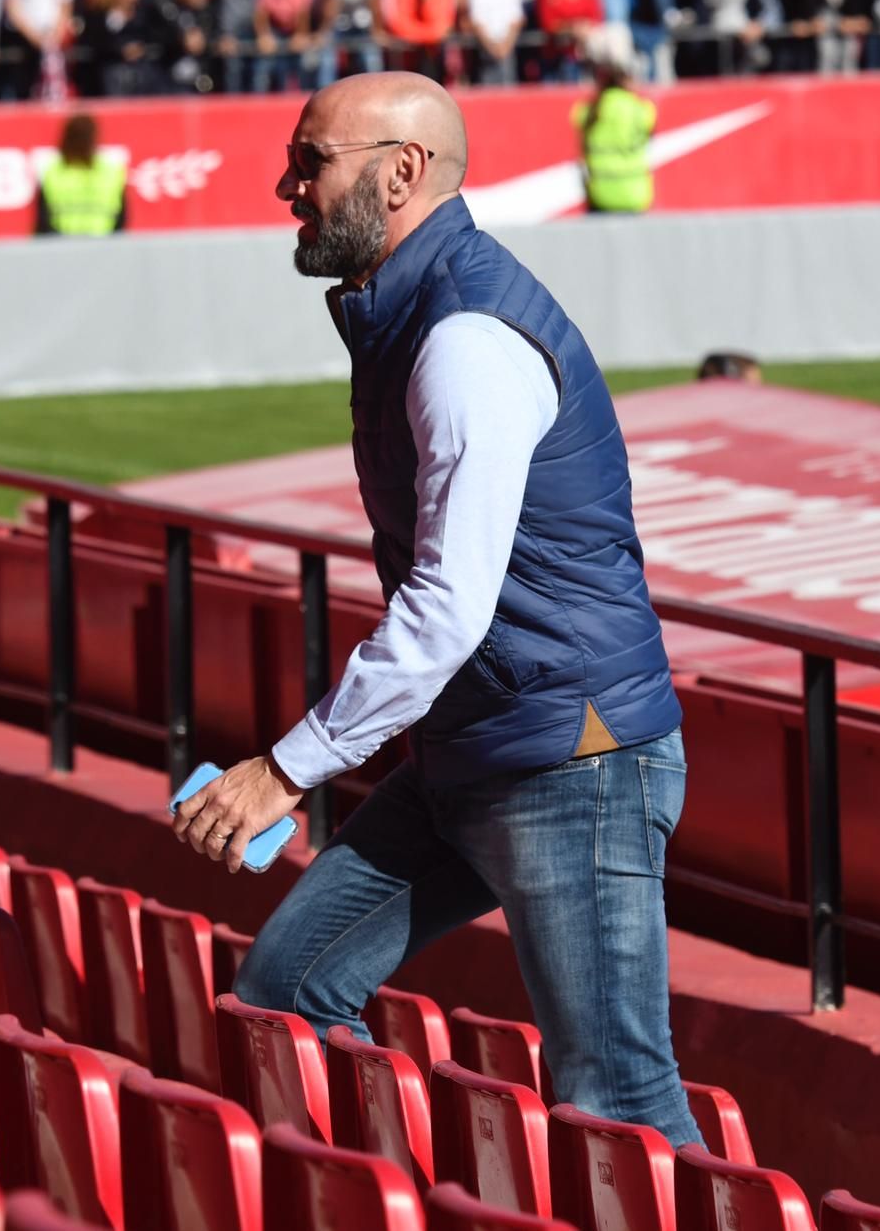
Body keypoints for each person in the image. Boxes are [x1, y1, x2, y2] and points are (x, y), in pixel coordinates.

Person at [170, 71, 701, 1153]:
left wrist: (283, 769)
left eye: (309, 162)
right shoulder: (413, 312)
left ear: (399, 172)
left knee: (618, 1101)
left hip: (573, 754)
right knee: (284, 993)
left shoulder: (465, 333)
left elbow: (447, 606)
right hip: (481, 749)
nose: (288, 185)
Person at [572, 41, 658, 212]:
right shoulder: (642, 110)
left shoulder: (590, 110)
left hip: (600, 195)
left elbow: (577, 121)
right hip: (636, 194)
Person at [35, 111, 129, 235]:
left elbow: (43, 222)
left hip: (62, 246)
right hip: (104, 244)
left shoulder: (53, 172)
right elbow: (121, 221)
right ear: (94, 137)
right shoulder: (111, 172)